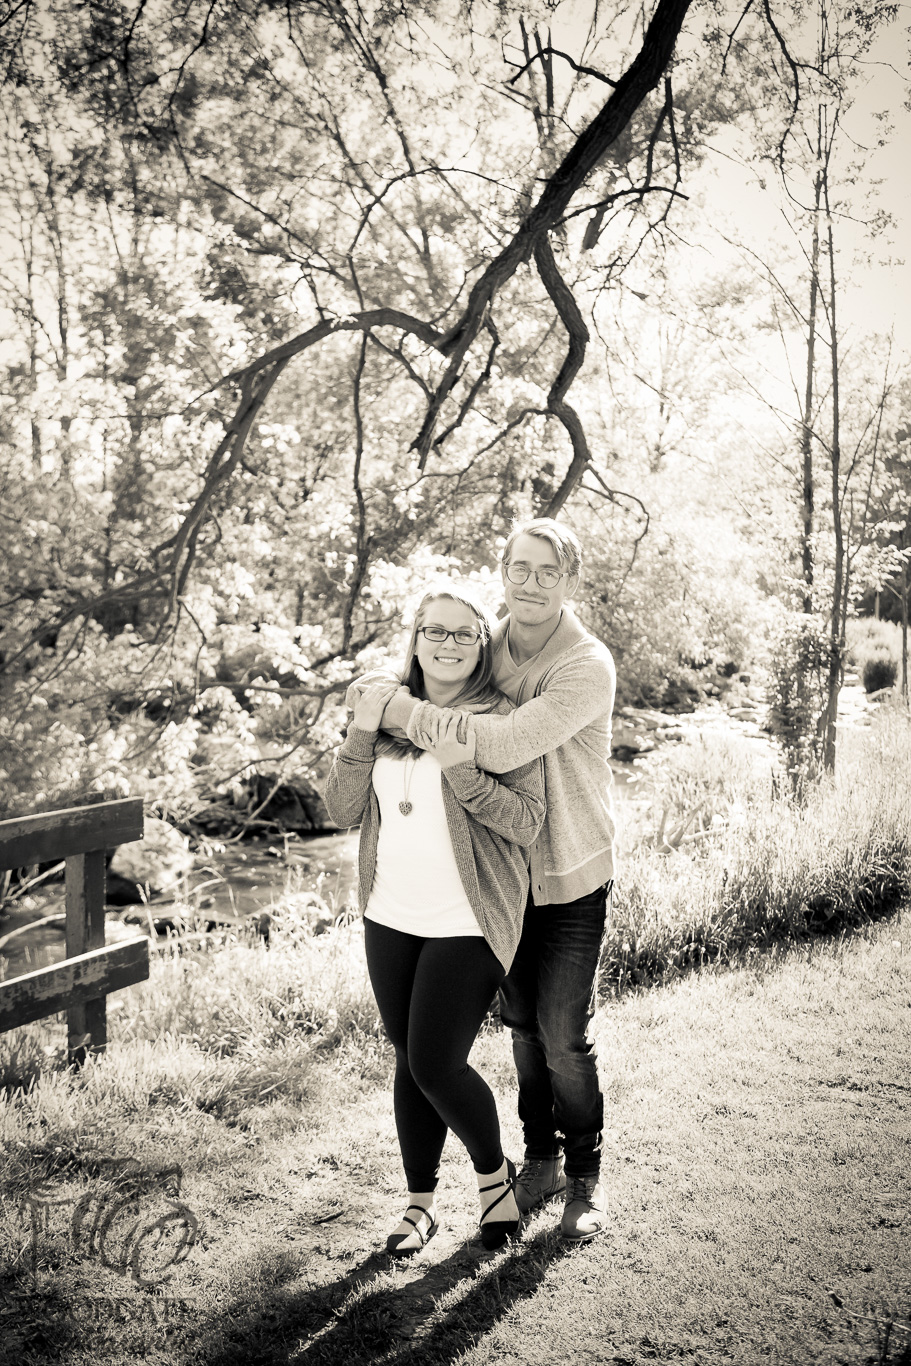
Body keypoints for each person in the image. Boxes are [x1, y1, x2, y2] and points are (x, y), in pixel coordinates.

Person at [373, 518, 616, 1244]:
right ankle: (534, 1161)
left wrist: (396, 711)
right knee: (518, 1030)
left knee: (563, 1035)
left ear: (570, 581)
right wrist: (388, 700)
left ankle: (583, 1180)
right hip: (499, 875)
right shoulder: (487, 644)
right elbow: (436, 671)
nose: (532, 584)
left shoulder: (585, 664)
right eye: (520, 569)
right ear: (502, 572)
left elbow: (506, 740)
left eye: (549, 572)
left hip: (567, 869)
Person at [325, 581, 545, 1256]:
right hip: (388, 912)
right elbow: (340, 808)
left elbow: (525, 822)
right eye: (434, 631)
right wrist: (363, 727)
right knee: (409, 1060)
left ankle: (492, 1178)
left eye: (463, 633)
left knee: (434, 1062)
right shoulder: (381, 711)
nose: (446, 645)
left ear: (483, 645)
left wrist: (462, 769)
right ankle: (419, 1204)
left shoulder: (504, 720)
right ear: (415, 639)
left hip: (468, 917)